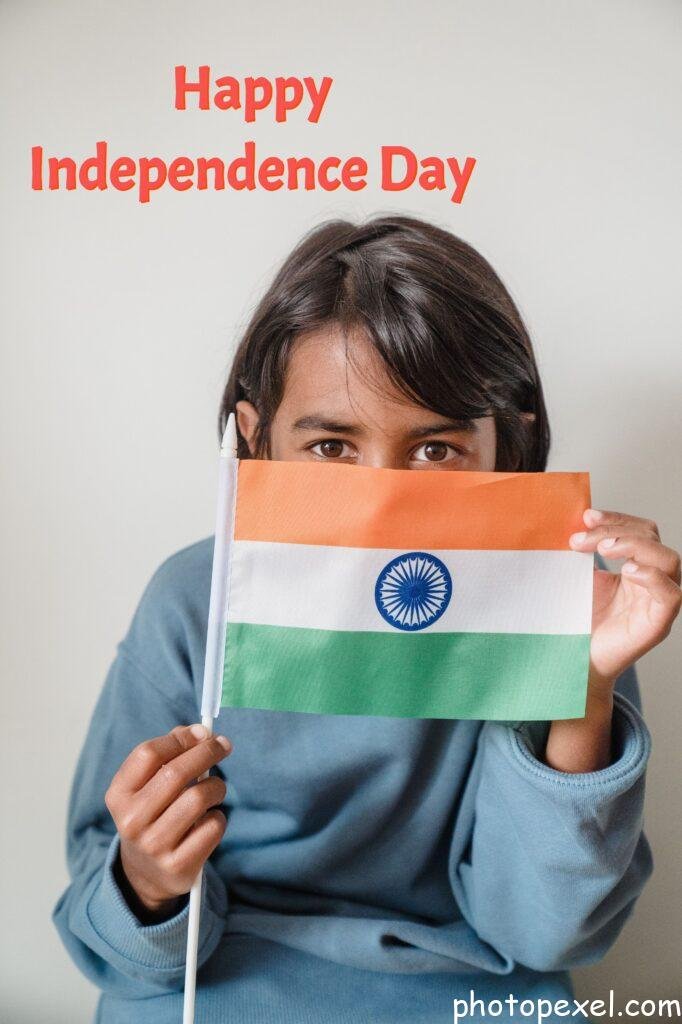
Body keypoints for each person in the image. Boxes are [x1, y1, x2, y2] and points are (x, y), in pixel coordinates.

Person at [53, 215, 681, 1023]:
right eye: (331, 449)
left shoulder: (562, 604)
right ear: (256, 438)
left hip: (470, 985)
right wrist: (146, 878)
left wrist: (585, 685)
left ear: (508, 445)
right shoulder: (196, 598)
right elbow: (104, 927)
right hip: (217, 976)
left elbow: (546, 934)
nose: (382, 501)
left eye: (433, 450)